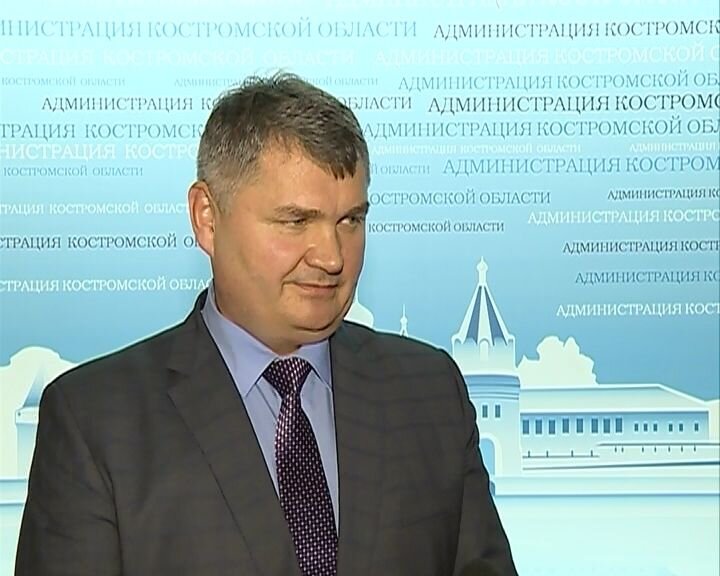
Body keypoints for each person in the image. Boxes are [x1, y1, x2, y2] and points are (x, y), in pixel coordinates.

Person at [15, 72, 518, 576]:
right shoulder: (96, 423)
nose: (332, 257)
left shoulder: (429, 392)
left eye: (350, 221)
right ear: (207, 218)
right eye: (296, 221)